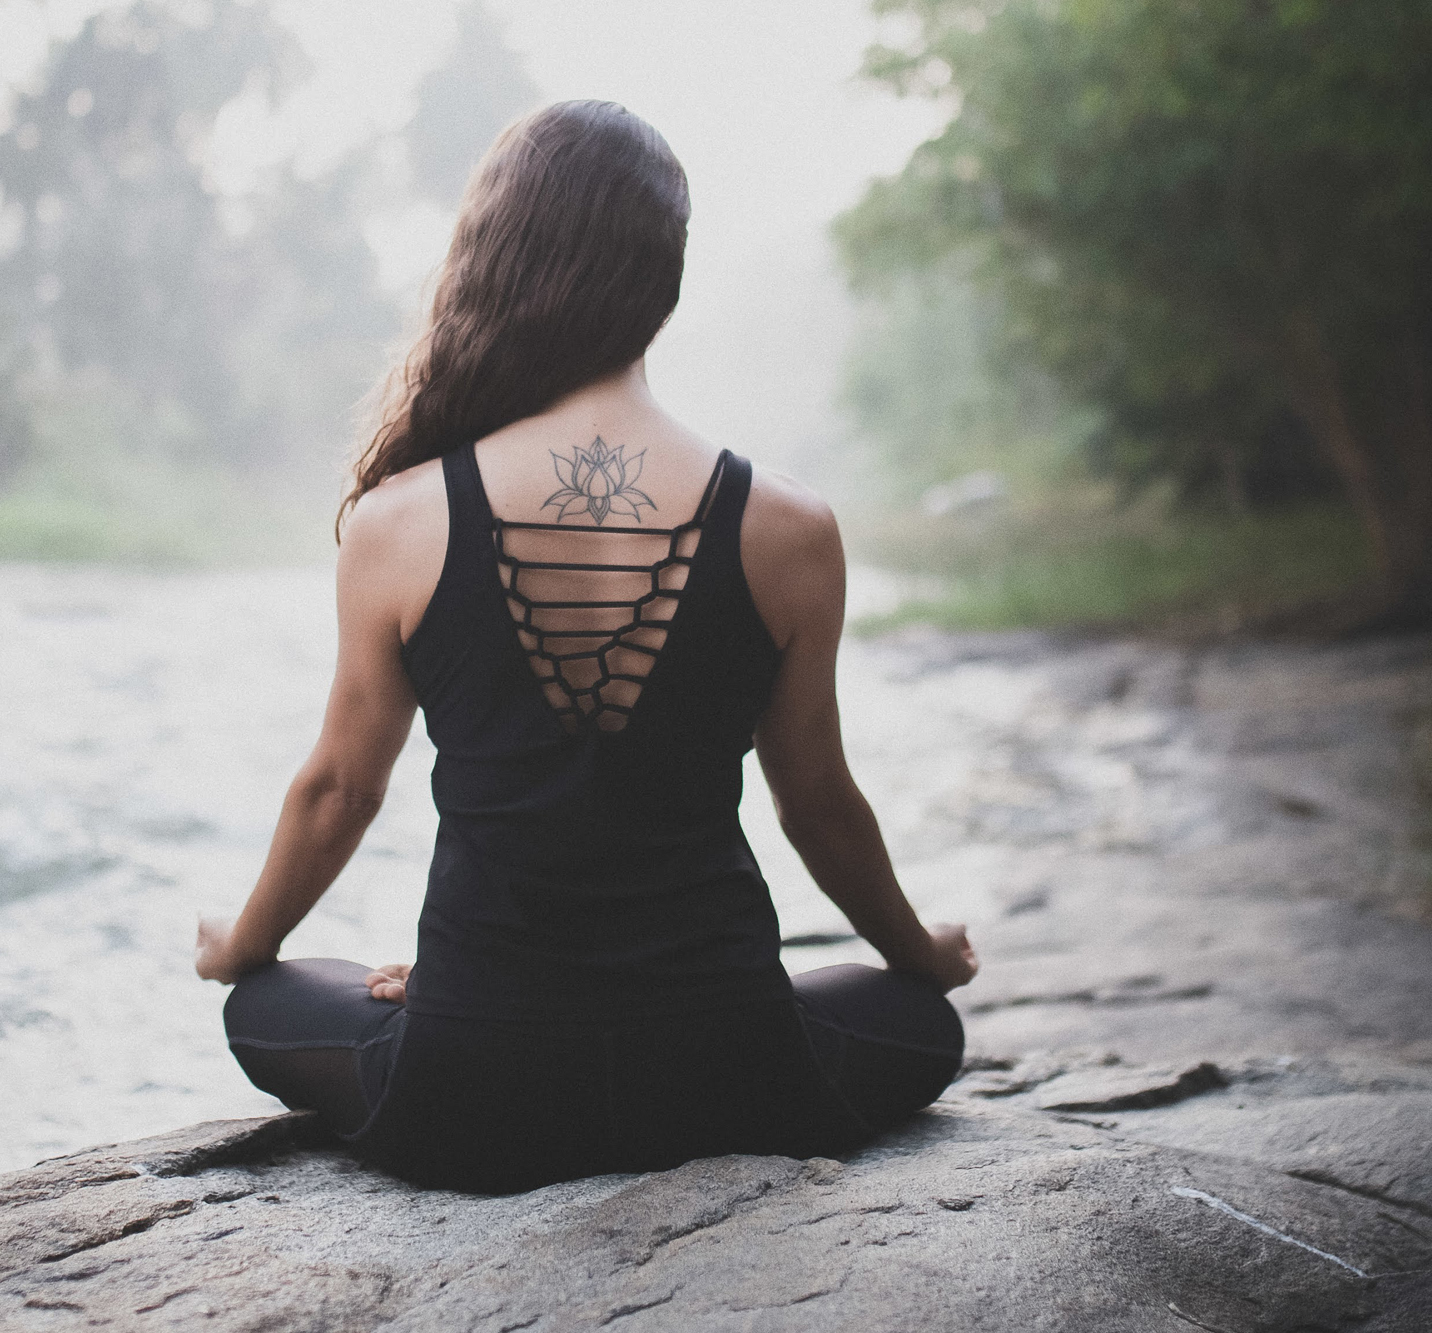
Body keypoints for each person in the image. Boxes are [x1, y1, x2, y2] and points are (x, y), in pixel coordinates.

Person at [193, 100, 976, 1195]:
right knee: (905, 1014)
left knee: (269, 1001)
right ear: (667, 272)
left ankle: (450, 988)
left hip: (472, 1091)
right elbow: (818, 801)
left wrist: (240, 942)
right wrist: (922, 956)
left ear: (493, 261)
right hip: (727, 1075)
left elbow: (336, 791)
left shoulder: (401, 521)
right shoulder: (789, 526)